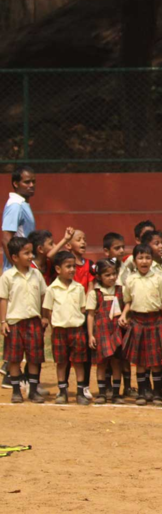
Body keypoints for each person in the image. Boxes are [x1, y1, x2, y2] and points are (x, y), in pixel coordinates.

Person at [122, 244, 162, 406]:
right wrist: (124, 315)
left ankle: (157, 392)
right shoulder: (130, 280)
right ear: (134, 261)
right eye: (140, 258)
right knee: (141, 361)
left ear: (152, 260)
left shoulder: (158, 278)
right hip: (137, 321)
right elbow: (128, 302)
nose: (144, 261)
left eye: (148, 258)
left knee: (156, 361)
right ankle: (143, 391)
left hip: (155, 320)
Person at [1, 237, 46, 403]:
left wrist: (45, 317)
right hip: (14, 323)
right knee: (14, 358)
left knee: (34, 357)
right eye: (26, 253)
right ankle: (16, 391)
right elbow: (3, 299)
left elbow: (43, 296)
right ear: (14, 257)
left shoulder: (36, 274)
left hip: (34, 321)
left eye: (31, 252)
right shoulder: (7, 277)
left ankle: (33, 391)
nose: (30, 256)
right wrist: (3, 321)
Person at [43, 251, 89, 405]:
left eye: (73, 266)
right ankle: (62, 391)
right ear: (57, 269)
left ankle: (80, 392)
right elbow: (48, 311)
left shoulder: (79, 288)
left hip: (77, 330)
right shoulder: (52, 289)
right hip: (59, 331)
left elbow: (83, 309)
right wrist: (55, 325)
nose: (71, 269)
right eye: (67, 266)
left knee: (79, 362)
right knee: (61, 362)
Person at [87, 259, 124, 404]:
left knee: (116, 362)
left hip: (116, 331)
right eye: (107, 275)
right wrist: (90, 335)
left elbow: (128, 304)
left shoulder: (121, 290)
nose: (112, 278)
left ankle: (115, 393)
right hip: (101, 332)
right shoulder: (95, 293)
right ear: (99, 277)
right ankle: (102, 393)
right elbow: (90, 315)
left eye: (114, 274)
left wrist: (124, 314)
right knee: (101, 363)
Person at [2, 166, 36, 271]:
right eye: (27, 182)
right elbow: (6, 239)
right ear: (16, 184)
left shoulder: (22, 204)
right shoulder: (15, 205)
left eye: (33, 182)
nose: (31, 185)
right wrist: (17, 269)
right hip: (17, 273)